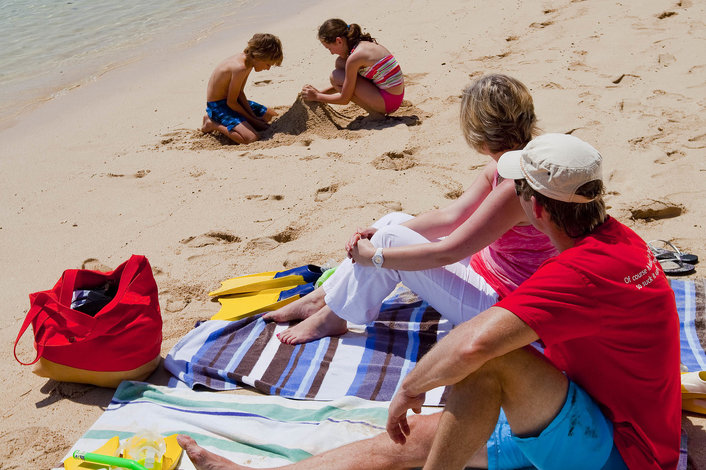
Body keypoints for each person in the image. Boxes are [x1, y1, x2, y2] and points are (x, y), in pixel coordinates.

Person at [177, 133, 681, 469]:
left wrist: (411, 385)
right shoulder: (619, 242)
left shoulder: (584, 272)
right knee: (418, 437)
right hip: (592, 410)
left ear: (538, 208)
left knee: (485, 360)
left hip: (620, 448)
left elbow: (472, 346)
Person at [267, 74, 557, 345]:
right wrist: (381, 233)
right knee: (392, 224)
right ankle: (324, 299)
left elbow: (449, 251)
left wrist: (377, 255)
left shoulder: (515, 186)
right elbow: (451, 217)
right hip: (492, 271)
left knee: (388, 242)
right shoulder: (509, 162)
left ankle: (332, 318)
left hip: (505, 306)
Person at [301, 19, 405, 114]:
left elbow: (344, 99)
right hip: (395, 96)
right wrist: (321, 92)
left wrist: (317, 96)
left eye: (329, 48)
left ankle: (376, 114)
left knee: (335, 76)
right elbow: (349, 83)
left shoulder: (355, 58)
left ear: (339, 41)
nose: (331, 53)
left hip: (389, 103)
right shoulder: (362, 45)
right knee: (340, 63)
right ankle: (376, 109)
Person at [201, 33, 283, 144]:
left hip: (233, 100)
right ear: (259, 57)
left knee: (271, 116)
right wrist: (254, 121)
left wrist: (253, 116)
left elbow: (239, 93)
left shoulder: (249, 61)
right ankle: (211, 123)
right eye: (268, 64)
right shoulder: (240, 68)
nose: (268, 69)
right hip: (218, 105)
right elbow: (231, 103)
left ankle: (247, 121)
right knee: (251, 138)